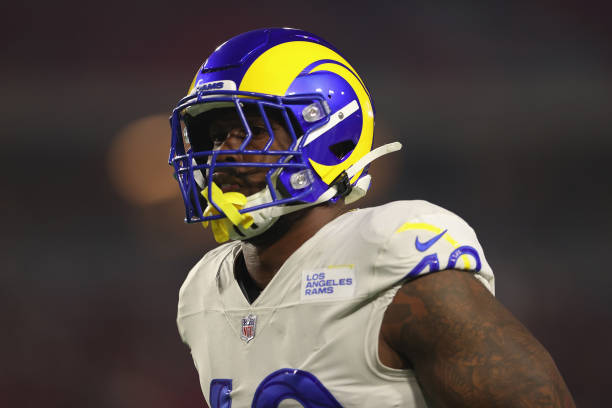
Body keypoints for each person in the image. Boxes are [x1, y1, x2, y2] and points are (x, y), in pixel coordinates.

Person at [169, 28, 575, 407]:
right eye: (218, 136)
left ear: (328, 134)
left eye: (252, 129)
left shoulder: (389, 255)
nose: (224, 154)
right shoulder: (204, 293)